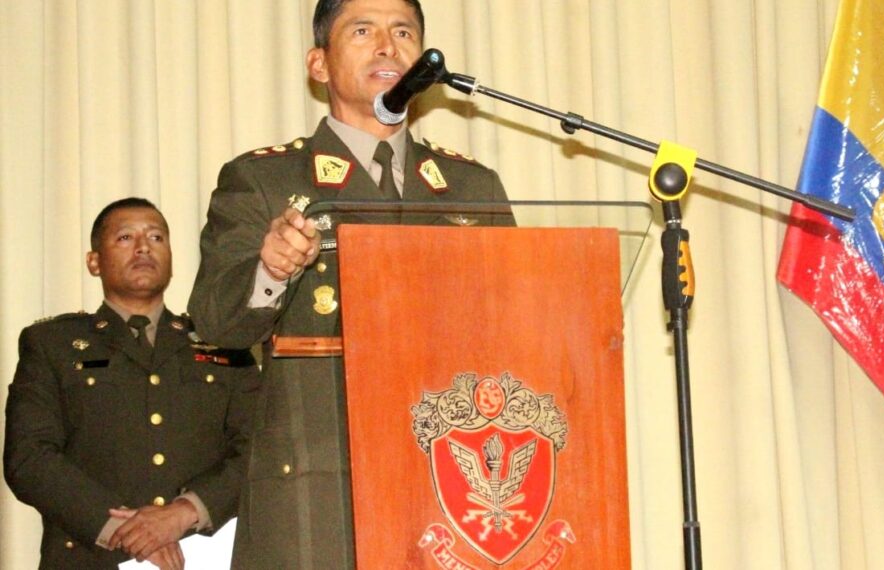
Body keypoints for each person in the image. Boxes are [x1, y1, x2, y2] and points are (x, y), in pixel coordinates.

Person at [187, 0, 512, 567]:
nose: (388, 45)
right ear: (319, 64)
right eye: (363, 30)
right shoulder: (264, 178)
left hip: (451, 481)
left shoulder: (470, 187)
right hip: (319, 479)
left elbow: (519, 332)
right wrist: (271, 269)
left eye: (404, 32)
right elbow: (216, 322)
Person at [3, 198, 259, 569]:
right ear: (94, 261)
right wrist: (124, 531)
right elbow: (29, 458)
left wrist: (186, 512)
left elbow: (260, 447)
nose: (143, 247)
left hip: (202, 555)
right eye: (125, 237)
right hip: (92, 555)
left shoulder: (225, 343)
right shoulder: (51, 345)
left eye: (156, 237)